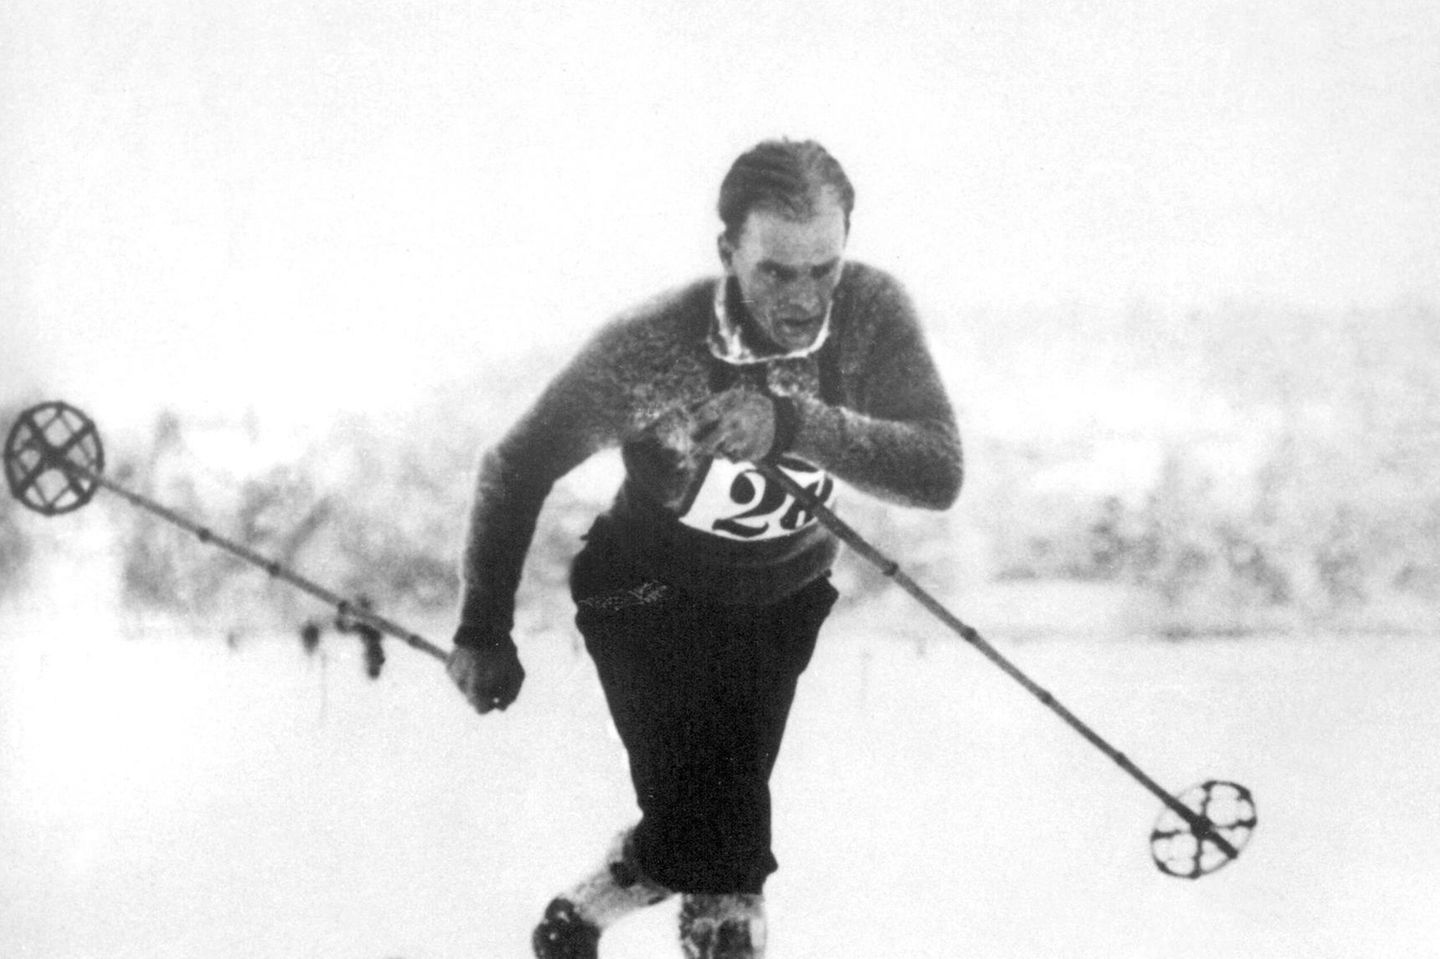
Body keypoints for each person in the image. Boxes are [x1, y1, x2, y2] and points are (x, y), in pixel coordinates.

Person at [446, 138, 963, 959]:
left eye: (824, 268)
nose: (804, 299)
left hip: (780, 603)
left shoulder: (869, 316)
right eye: (775, 272)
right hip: (644, 594)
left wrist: (793, 423)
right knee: (724, 844)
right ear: (728, 252)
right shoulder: (654, 345)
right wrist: (483, 630)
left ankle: (577, 917)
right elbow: (516, 464)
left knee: (707, 827)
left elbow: (937, 471)